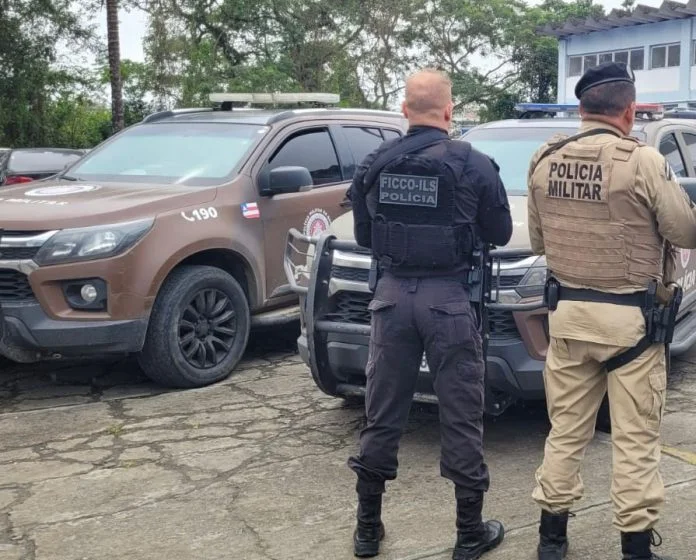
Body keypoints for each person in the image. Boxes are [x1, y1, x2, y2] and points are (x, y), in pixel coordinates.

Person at [526, 61, 696, 560]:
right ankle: (635, 550)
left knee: (565, 433)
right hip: (633, 327)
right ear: (629, 111)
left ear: (582, 108)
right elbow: (686, 233)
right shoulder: (643, 161)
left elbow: (538, 241)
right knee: (636, 440)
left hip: (568, 319)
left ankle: (551, 540)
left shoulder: (545, 158)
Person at [347, 68, 513, 559]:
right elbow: (501, 233)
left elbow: (363, 236)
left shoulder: (375, 162)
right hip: (449, 302)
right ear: (449, 111)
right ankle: (469, 533)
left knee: (381, 412)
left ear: (404, 110)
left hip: (391, 300)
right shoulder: (473, 163)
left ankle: (367, 530)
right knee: (461, 414)